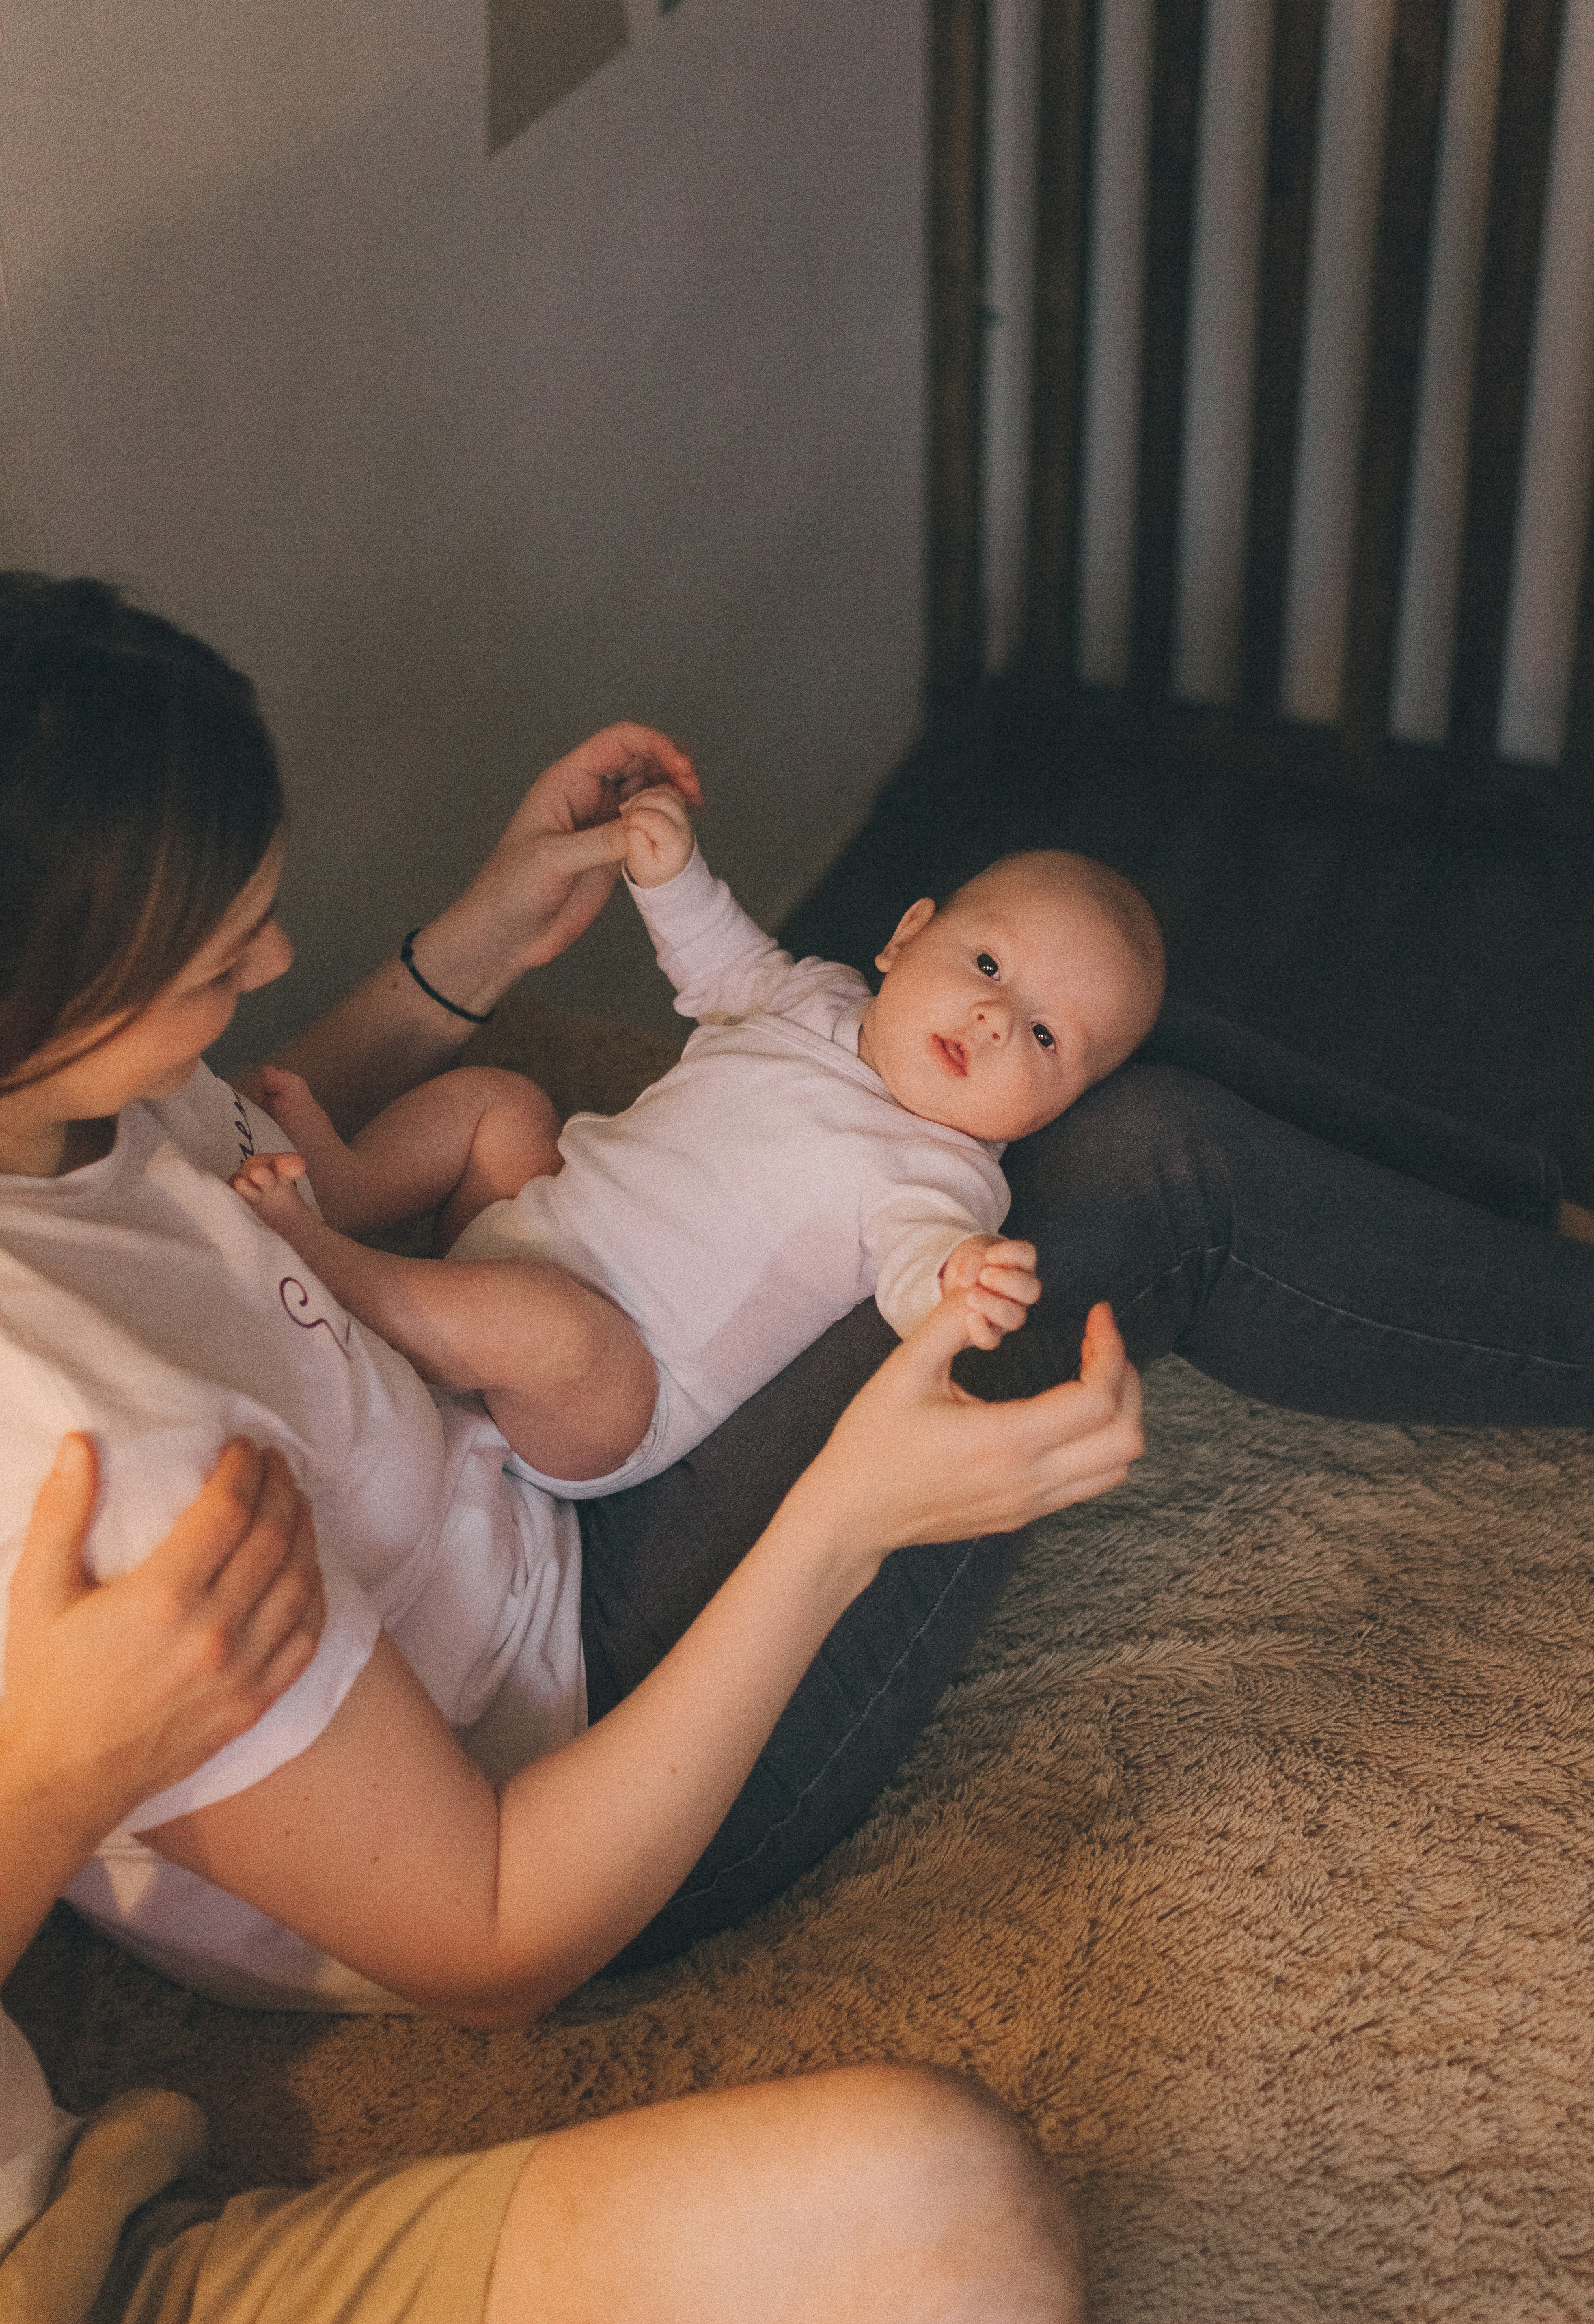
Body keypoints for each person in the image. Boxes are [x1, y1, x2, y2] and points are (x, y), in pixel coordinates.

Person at [5, 566, 1594, 2023]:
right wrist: (848, 1510)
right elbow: (488, 1928)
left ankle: (1532, 1213)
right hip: (582, 1763)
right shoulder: (82, 1445)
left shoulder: (52, 1109)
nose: (278, 960)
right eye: (217, 964)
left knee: (1076, 1009)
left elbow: (229, 1156)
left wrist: (480, 939)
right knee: (1142, 1159)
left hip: (521, 1479)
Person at [1, 1434, 1085, 2324]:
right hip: (545, 1797)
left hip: (94, 2231)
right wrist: (54, 1781)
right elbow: (495, 1931)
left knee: (932, 2204)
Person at [225, 780, 1165, 1492]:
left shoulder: (942, 1171)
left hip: (614, 1386)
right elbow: (721, 961)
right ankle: (347, 1190)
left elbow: (919, 1257)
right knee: (500, 1103)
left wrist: (958, 1281)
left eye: (1045, 1037)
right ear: (904, 937)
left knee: (553, 1329)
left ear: (1056, 1110)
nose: (995, 1019)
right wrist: (669, 874)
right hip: (528, 1223)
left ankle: (331, 1264)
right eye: (989, 963)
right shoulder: (815, 994)